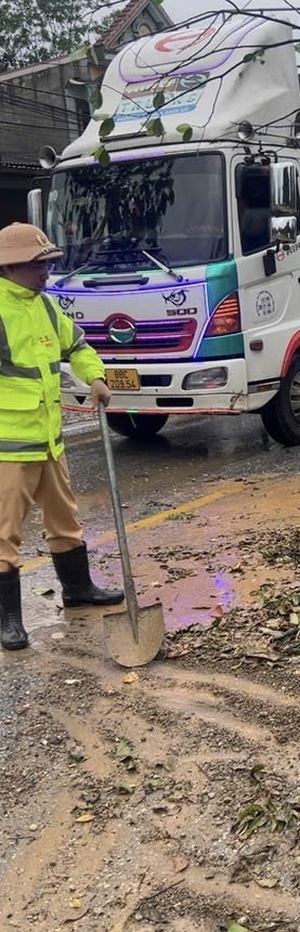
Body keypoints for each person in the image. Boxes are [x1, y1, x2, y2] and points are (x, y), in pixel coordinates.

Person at [0, 222, 124, 651]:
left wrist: (96, 377)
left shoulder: (47, 308)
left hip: (51, 440)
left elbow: (79, 347)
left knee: (65, 520)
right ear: (10, 267)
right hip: (9, 446)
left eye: (49, 264)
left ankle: (77, 589)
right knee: (4, 533)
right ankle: (8, 620)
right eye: (38, 265)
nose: (46, 272)